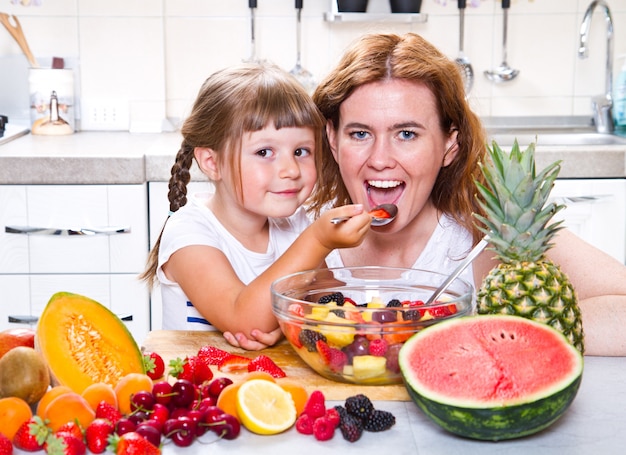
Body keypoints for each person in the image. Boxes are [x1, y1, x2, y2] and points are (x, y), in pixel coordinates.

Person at [233, 32, 626, 355]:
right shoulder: (299, 230)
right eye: (360, 134)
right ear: (333, 140)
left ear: (449, 145)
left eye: (406, 134)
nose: (380, 159)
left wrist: (495, 334)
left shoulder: (485, 236)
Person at [141, 62, 371, 350]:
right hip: (204, 391)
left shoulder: (295, 225)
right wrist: (319, 240)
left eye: (301, 151)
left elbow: (330, 309)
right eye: (264, 152)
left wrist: (289, 326)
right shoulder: (188, 234)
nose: (290, 169)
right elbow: (244, 318)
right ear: (212, 163)